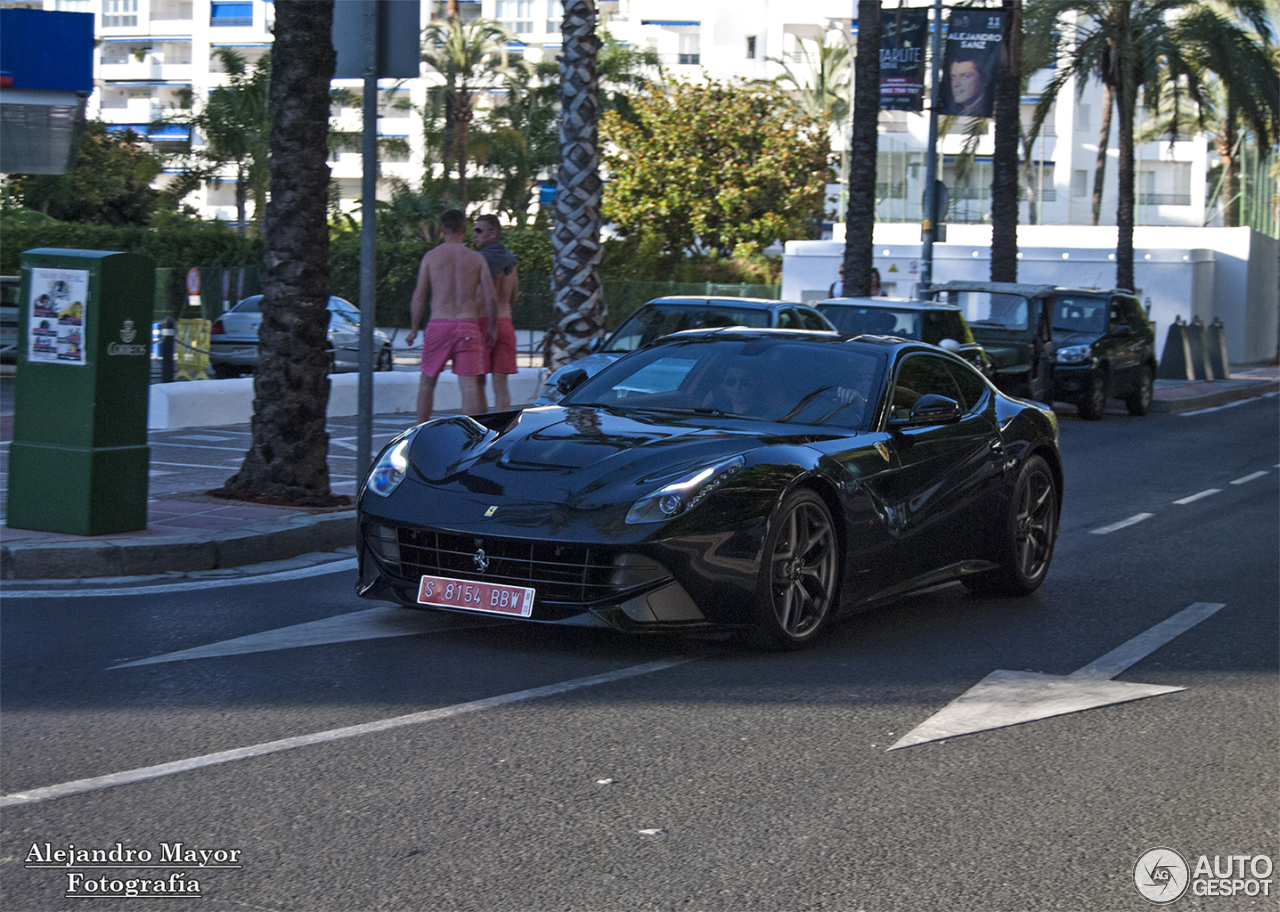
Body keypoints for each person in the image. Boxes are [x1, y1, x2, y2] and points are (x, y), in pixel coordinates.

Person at [404, 209, 497, 423]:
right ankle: (471, 440)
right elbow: (490, 297)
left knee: (428, 382)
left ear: (442, 229)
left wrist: (414, 328)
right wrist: (492, 328)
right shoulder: (476, 259)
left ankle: (420, 432)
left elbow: (419, 295)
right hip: (467, 325)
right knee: (469, 386)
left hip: (439, 324)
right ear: (464, 229)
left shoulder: (431, 257)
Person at [472, 214, 519, 412]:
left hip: (484, 323)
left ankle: (481, 431)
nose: (474, 235)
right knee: (501, 386)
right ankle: (502, 432)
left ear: (493, 233)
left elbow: (479, 296)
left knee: (477, 383)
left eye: (478, 231)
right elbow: (514, 298)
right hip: (506, 322)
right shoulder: (512, 262)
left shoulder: (480, 260)